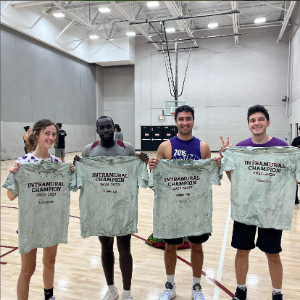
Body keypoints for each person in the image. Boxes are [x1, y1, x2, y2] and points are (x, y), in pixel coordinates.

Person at [74, 116, 148, 300]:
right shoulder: (89, 150)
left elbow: (136, 174)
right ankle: (111, 289)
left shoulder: (127, 148)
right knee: (106, 247)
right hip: (100, 208)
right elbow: (83, 177)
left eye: (109, 127)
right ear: (97, 130)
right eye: (102, 127)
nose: (106, 130)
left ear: (114, 128)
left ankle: (127, 292)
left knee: (124, 249)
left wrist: (142, 162)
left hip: (123, 207)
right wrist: (78, 166)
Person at [219, 105, 288, 300]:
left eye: (259, 119)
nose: (256, 123)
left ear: (268, 122)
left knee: (273, 253)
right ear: (248, 125)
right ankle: (241, 290)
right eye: (252, 120)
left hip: (271, 210)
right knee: (242, 251)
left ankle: (277, 293)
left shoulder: (282, 148)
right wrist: (227, 161)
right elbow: (235, 181)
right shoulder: (240, 149)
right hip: (246, 208)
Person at [149, 105, 212, 300]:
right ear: (175, 121)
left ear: (193, 120)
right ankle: (170, 286)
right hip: (172, 207)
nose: (185, 122)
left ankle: (196, 287)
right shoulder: (165, 147)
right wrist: (153, 167)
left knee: (197, 246)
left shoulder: (203, 147)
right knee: (170, 247)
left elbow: (207, 179)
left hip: (196, 207)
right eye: (181, 119)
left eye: (188, 118)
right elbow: (157, 180)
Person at [6, 119, 74, 300]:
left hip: (51, 221)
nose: (51, 138)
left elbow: (72, 186)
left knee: (50, 262)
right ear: (36, 135)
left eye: (54, 134)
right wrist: (14, 174)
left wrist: (71, 170)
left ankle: (49, 296)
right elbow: (10, 196)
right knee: (28, 269)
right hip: (29, 223)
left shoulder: (57, 163)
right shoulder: (23, 162)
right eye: (47, 133)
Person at [291, 126, 300, 204]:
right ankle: (295, 199)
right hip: (297, 162)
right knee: (296, 181)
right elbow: (291, 151)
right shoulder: (296, 140)